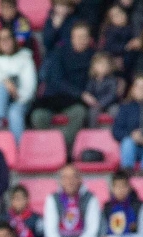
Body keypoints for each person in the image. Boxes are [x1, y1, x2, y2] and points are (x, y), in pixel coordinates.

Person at [31, 21, 95, 150]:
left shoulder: (93, 56)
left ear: (89, 39)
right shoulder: (59, 53)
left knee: (80, 113)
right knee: (38, 116)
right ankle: (48, 148)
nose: (82, 40)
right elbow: (56, 81)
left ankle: (61, 148)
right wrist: (80, 94)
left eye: (85, 37)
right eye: (78, 37)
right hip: (53, 98)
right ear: (72, 38)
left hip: (74, 102)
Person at [38, 163, 101, 237]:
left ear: (80, 179)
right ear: (60, 181)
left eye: (73, 177)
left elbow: (92, 232)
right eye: (65, 178)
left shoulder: (91, 198)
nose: (69, 181)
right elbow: (50, 232)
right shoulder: (52, 199)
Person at [0, 28, 36, 141]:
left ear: (14, 40)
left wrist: (17, 96)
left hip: (19, 99)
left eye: (8, 38)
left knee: (14, 112)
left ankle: (17, 147)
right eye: (1, 39)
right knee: (0, 87)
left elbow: (29, 86)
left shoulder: (24, 56)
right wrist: (6, 82)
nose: (4, 42)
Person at [80, 51, 123, 126]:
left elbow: (112, 95)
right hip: (95, 105)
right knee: (92, 112)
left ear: (109, 67)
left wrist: (100, 104)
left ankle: (117, 129)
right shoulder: (92, 80)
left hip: (110, 104)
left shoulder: (112, 80)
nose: (102, 67)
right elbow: (88, 92)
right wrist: (91, 99)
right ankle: (92, 130)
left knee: (116, 110)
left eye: (105, 65)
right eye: (100, 64)